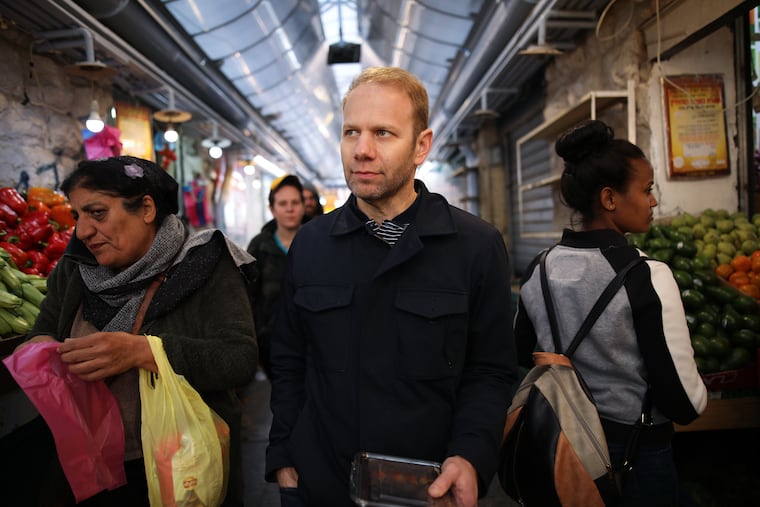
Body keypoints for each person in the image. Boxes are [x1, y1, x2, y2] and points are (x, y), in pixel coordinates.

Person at [265, 66, 518, 507]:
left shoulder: (474, 247)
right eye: (351, 132)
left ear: (421, 146)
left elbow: (490, 371)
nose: (361, 150)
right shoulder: (311, 245)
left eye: (383, 133)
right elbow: (289, 361)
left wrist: (471, 455)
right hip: (320, 483)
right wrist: (285, 456)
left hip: (426, 488)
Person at [14, 156, 258, 506]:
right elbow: (42, 331)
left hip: (179, 470)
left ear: (146, 208)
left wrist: (143, 352)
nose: (82, 231)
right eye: (78, 215)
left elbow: (239, 358)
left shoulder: (205, 265)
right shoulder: (74, 269)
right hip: (87, 468)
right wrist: (40, 348)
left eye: (97, 213)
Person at [512, 120, 707, 506]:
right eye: (647, 190)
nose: (653, 202)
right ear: (609, 199)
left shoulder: (541, 267)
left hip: (561, 448)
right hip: (634, 458)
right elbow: (685, 403)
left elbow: (522, 353)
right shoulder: (648, 275)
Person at [246, 174, 304, 378]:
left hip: (312, 342)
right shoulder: (259, 246)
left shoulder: (317, 243)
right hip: (272, 343)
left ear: (303, 206)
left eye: (295, 202)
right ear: (272, 209)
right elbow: (248, 297)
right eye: (283, 203)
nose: (289, 208)